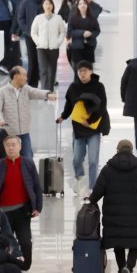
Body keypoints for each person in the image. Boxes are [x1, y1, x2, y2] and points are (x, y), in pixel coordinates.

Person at [90, 140, 137, 273]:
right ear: (131, 150)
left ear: (117, 150)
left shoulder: (108, 169)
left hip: (114, 217)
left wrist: (90, 201)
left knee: (118, 244)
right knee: (136, 243)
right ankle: (128, 268)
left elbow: (97, 191)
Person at [0, 134, 44, 269]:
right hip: (3, 212)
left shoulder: (28, 163)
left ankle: (25, 265)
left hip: (22, 210)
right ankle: (7, 265)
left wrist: (38, 207)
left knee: (25, 241)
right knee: (5, 242)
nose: (11, 148)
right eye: (8, 145)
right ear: (4, 148)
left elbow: (37, 186)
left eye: (14, 145)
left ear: (20, 146)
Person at [58, 61, 110, 194]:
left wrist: (90, 120)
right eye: (80, 71)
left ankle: (93, 187)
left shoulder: (98, 86)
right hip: (78, 128)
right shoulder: (74, 87)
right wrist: (63, 116)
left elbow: (102, 107)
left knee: (93, 160)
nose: (82, 74)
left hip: (93, 128)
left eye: (85, 71)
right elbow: (69, 104)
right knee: (76, 159)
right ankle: (79, 178)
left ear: (91, 72)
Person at [0, 65, 55, 160]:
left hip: (24, 134)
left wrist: (47, 94)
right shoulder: (2, 92)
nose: (26, 78)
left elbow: (36, 92)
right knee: (11, 161)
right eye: (24, 75)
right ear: (16, 76)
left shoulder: (26, 90)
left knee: (28, 159)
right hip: (10, 134)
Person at [12, 0, 47, 86]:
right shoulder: (25, 2)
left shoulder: (46, 2)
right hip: (30, 36)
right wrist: (28, 30)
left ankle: (46, 83)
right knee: (32, 61)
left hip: (44, 36)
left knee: (44, 61)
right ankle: (32, 84)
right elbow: (20, 18)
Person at [30, 0, 66, 91]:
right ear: (43, 6)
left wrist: (58, 42)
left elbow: (62, 32)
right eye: (46, 4)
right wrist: (38, 41)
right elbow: (33, 32)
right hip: (41, 48)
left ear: (53, 6)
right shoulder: (38, 18)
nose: (48, 6)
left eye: (50, 4)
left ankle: (50, 90)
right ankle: (44, 90)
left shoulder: (58, 18)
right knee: (43, 69)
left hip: (54, 48)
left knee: (52, 70)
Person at [67, 0, 101, 71]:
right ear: (77, 6)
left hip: (89, 46)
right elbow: (70, 32)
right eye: (80, 4)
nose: (82, 5)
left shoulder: (92, 18)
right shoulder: (73, 18)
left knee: (89, 70)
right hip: (77, 47)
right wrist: (82, 33)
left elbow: (97, 30)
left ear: (87, 6)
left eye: (84, 3)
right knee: (78, 70)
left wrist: (91, 34)